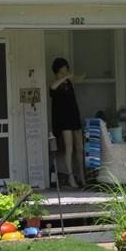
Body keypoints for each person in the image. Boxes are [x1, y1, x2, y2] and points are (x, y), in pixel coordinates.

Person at [49, 57, 85, 188]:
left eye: (66, 70)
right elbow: (52, 88)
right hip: (64, 120)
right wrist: (65, 77)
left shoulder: (69, 83)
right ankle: (71, 177)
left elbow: (78, 79)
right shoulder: (55, 85)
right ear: (57, 72)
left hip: (74, 116)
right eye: (62, 71)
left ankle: (82, 175)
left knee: (79, 147)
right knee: (69, 148)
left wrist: (77, 76)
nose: (65, 73)